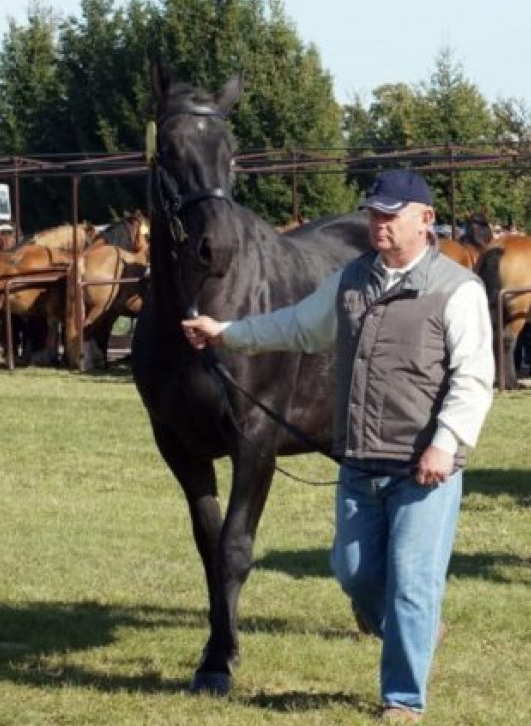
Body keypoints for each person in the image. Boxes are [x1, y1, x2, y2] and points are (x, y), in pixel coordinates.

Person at [182, 169, 495, 721]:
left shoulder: (457, 290)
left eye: (390, 215)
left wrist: (445, 444)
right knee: (354, 571)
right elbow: (297, 327)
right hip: (360, 459)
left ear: (425, 220)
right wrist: (227, 333)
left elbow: (474, 379)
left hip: (424, 465)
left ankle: (402, 698)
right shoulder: (352, 280)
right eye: (374, 213)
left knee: (412, 580)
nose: (378, 223)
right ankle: (417, 628)